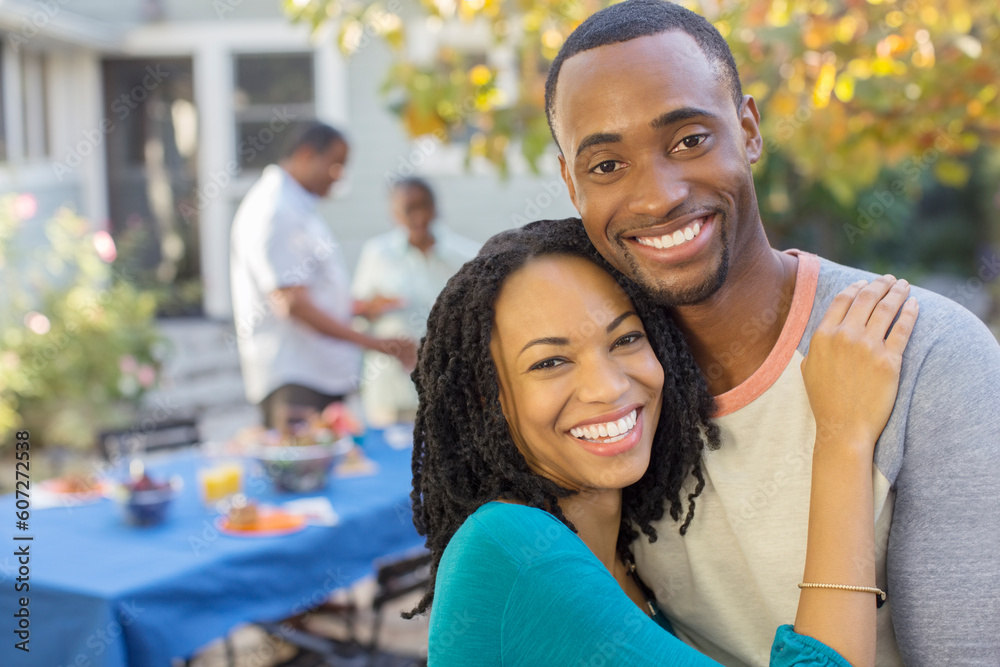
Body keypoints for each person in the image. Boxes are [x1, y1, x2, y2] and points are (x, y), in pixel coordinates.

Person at [543, 2, 1000, 665]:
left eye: (690, 140)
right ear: (570, 183)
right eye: (607, 165)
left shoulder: (927, 355)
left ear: (749, 129)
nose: (657, 196)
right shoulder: (601, 400)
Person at [408, 219, 917, 666]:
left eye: (625, 339)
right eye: (550, 362)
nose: (608, 386)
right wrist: (844, 437)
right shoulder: (512, 549)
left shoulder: (623, 558)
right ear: (484, 399)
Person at [229, 122, 416, 431]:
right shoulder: (277, 210)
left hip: (316, 374)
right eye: (336, 164)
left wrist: (360, 307)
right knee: (306, 472)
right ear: (305, 155)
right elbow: (292, 304)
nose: (340, 175)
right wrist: (375, 344)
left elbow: (306, 291)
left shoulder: (295, 206)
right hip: (297, 379)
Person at [352, 177, 479, 426]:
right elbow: (356, 314)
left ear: (436, 207)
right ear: (395, 214)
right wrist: (371, 309)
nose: (419, 216)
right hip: (391, 392)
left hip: (448, 392)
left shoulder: (464, 256)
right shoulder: (377, 254)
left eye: (425, 205)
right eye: (409, 209)